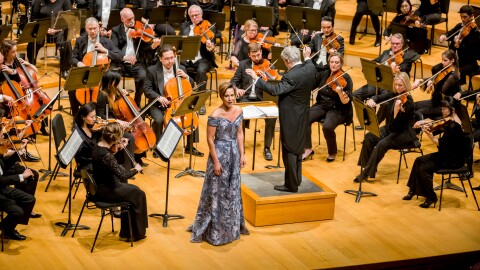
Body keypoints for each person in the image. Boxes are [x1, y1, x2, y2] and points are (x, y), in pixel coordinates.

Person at [245, 46, 316, 193]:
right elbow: (309, 62)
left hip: (291, 117)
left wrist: (256, 79)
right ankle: (297, 178)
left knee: (290, 149)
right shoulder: (310, 68)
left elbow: (275, 90)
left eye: (284, 61)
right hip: (303, 114)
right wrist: (307, 56)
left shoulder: (291, 76)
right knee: (298, 148)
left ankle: (291, 185)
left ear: (288, 61)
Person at [187, 82, 249, 246]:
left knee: (232, 189)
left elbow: (240, 133)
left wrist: (242, 154)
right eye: (227, 96)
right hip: (220, 155)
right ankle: (216, 230)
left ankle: (232, 226)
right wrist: (215, 162)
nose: (230, 99)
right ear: (221, 97)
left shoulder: (239, 111)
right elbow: (209, 139)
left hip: (234, 154)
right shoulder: (215, 115)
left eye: (232, 95)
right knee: (217, 192)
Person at [403, 97, 467, 208]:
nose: (442, 112)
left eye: (444, 109)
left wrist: (429, 135)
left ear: (452, 109)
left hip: (453, 160)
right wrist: (424, 122)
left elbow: (441, 144)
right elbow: (438, 124)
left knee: (424, 168)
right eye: (442, 109)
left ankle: (431, 197)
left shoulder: (454, 127)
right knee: (418, 160)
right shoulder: (449, 121)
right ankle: (413, 190)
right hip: (447, 154)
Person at [354, 72, 417, 183]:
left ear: (406, 85)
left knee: (382, 144)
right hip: (392, 129)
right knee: (369, 137)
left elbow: (396, 125)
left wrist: (396, 111)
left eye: (400, 85)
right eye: (396, 85)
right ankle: (366, 168)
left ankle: (365, 173)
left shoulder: (408, 102)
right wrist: (373, 100)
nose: (398, 88)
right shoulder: (395, 94)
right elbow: (381, 97)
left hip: (404, 133)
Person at [143, 44, 204, 157]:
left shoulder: (181, 68)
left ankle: (190, 147)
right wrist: (159, 97)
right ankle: (158, 146)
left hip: (178, 101)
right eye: (166, 58)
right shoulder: (152, 70)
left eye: (172, 57)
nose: (170, 61)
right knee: (159, 120)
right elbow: (147, 89)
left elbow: (189, 85)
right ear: (160, 59)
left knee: (192, 114)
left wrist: (187, 77)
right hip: (159, 103)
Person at [92, 122, 147, 241]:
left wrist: (118, 148)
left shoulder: (98, 146)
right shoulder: (106, 155)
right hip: (107, 190)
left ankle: (128, 232)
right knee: (138, 193)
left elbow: (108, 161)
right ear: (116, 138)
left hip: (101, 186)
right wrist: (136, 169)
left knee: (135, 191)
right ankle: (134, 233)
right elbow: (123, 175)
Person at [353, 33, 418, 125]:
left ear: (402, 44)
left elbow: (405, 72)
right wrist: (368, 66)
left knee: (385, 104)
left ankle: (374, 124)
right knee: (355, 95)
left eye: (397, 44)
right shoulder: (386, 53)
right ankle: (366, 118)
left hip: (390, 87)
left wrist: (396, 70)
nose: (394, 45)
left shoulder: (406, 58)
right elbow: (375, 61)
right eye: (393, 43)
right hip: (376, 83)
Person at [302, 52, 352, 162]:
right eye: (332, 62)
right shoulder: (324, 74)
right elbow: (311, 85)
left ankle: (332, 151)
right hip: (322, 105)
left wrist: (339, 93)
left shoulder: (346, 78)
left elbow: (346, 101)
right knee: (304, 118)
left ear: (341, 64)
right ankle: (308, 148)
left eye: (337, 62)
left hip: (338, 108)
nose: (334, 65)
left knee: (327, 127)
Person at [230, 42, 277, 161]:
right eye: (254, 56)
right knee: (239, 114)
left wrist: (265, 77)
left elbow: (274, 83)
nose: (257, 58)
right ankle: (241, 147)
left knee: (272, 117)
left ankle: (267, 147)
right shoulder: (243, 64)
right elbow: (233, 82)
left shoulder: (268, 65)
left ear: (261, 52)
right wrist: (237, 89)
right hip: (245, 98)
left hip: (263, 99)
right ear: (249, 55)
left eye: (258, 55)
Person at [69, 17, 123, 117]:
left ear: (98, 28)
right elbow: (72, 58)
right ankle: (77, 118)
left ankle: (98, 116)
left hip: (101, 78)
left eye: (95, 28)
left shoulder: (106, 42)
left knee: (101, 93)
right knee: (72, 91)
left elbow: (119, 56)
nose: (93, 31)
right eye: (90, 29)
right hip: (84, 75)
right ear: (86, 29)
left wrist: (105, 50)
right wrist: (79, 64)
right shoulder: (80, 40)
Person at [111, 8, 161, 105]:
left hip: (136, 63)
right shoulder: (116, 30)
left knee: (143, 76)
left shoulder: (139, 29)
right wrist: (125, 57)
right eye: (129, 19)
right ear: (122, 19)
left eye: (133, 18)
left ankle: (136, 103)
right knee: (111, 76)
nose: (132, 21)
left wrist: (152, 46)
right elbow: (114, 48)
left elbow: (144, 48)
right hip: (120, 61)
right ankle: (116, 102)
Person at [412, 50, 461, 121]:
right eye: (442, 60)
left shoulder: (453, 76)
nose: (442, 62)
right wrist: (421, 80)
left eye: (445, 60)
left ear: (452, 60)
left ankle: (415, 129)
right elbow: (436, 77)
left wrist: (432, 86)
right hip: (437, 101)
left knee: (419, 112)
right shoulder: (445, 69)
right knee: (414, 105)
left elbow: (440, 93)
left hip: (445, 105)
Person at [28, 0, 72, 78]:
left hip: (59, 30)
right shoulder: (39, 1)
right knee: (33, 41)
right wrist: (45, 29)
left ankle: (65, 69)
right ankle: (31, 66)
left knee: (65, 41)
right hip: (42, 29)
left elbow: (69, 19)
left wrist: (58, 29)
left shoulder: (65, 1)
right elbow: (34, 19)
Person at [438, 5, 480, 86]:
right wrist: (444, 36)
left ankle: (457, 93)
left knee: (454, 73)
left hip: (468, 63)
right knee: (436, 68)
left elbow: (471, 52)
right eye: (461, 17)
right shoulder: (460, 26)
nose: (463, 19)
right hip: (456, 60)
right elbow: (450, 33)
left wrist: (460, 43)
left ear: (471, 16)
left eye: (465, 17)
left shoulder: (475, 32)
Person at [180, 5, 217, 93]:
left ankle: (200, 98)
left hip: (202, 59)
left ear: (201, 14)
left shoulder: (208, 27)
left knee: (201, 71)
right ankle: (186, 93)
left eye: (197, 15)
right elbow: (180, 42)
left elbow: (212, 48)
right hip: (187, 58)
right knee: (180, 68)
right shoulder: (185, 26)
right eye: (192, 16)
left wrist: (208, 46)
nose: (195, 17)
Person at [0, 158, 36, 240]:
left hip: (3, 188)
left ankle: (7, 226)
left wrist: (17, 152)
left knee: (30, 199)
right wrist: (22, 176)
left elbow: (5, 165)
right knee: (18, 212)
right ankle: (8, 229)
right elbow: (1, 180)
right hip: (1, 189)